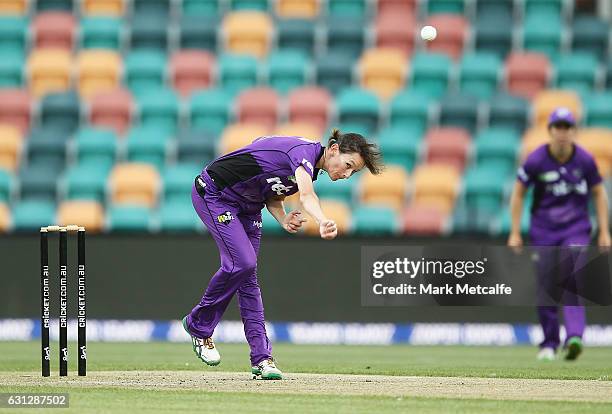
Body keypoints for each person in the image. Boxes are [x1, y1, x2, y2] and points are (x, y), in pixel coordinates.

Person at [182, 130, 383, 379]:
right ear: (333, 149)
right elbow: (307, 196)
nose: (346, 174)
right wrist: (322, 220)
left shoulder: (309, 170)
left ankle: (262, 359)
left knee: (248, 279)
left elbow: (272, 194)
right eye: (348, 165)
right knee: (242, 263)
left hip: (249, 207)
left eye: (353, 172)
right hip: (215, 194)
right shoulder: (303, 155)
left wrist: (283, 217)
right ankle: (198, 326)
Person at [508, 107, 611, 361]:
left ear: (574, 131)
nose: (563, 133)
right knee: (546, 286)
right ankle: (549, 343)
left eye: (567, 127)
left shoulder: (585, 160)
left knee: (572, 275)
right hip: (543, 230)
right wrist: (514, 231)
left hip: (575, 227)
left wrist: (604, 231)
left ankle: (574, 336)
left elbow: (598, 192)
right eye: (558, 127)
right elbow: (519, 193)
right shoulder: (536, 160)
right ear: (550, 131)